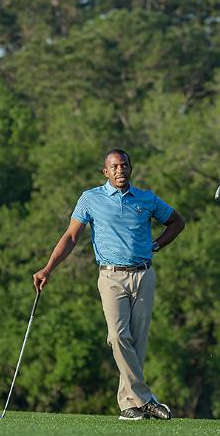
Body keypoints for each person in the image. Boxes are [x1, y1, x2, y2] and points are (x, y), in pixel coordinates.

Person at [33, 149, 185, 421]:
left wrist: (156, 245)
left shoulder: (146, 199)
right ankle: (146, 399)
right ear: (106, 172)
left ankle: (130, 405)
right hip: (111, 276)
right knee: (117, 337)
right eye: (114, 166)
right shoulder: (90, 199)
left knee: (137, 344)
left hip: (144, 275)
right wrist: (48, 268)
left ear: (130, 168)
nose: (120, 170)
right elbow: (70, 237)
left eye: (124, 165)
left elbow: (177, 222)